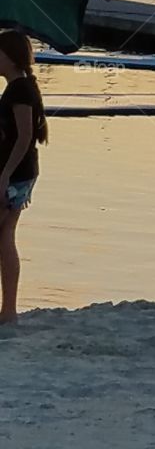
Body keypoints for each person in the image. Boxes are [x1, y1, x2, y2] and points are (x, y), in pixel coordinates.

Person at [0, 29, 47, 325]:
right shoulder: (15, 88)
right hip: (18, 172)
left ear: (9, 57)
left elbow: (26, 136)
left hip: (15, 173)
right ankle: (9, 311)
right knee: (4, 236)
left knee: (4, 237)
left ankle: (9, 311)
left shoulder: (21, 90)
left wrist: (4, 175)